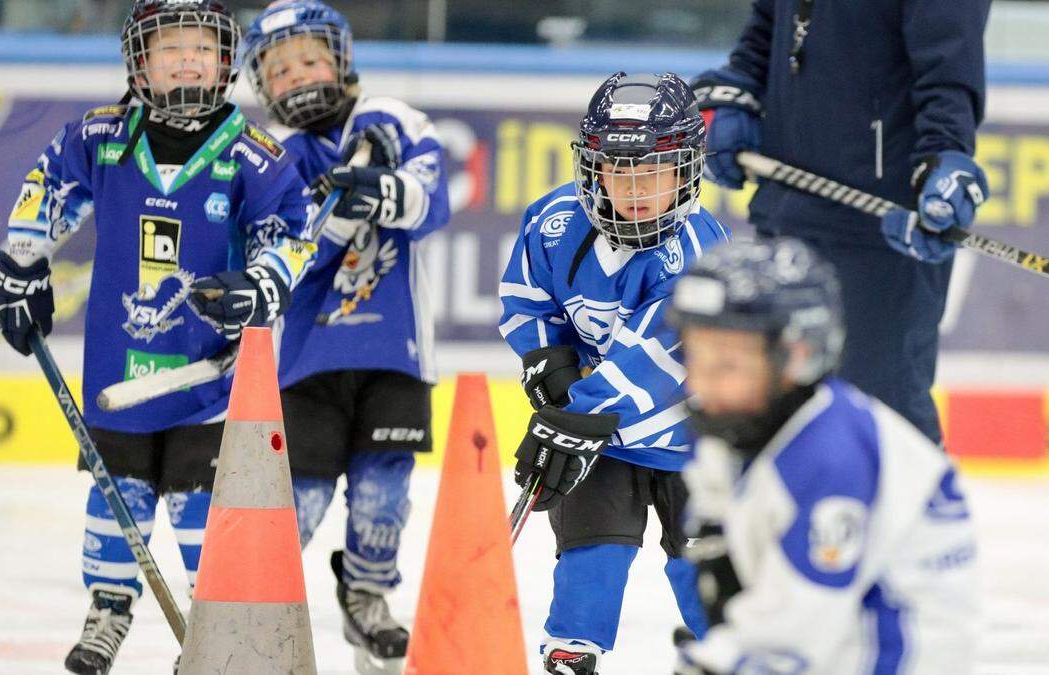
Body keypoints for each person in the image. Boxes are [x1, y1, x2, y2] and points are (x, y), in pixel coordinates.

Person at [0, 2, 315, 672]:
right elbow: (47, 187)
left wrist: (259, 284)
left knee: (205, 515)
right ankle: (108, 607)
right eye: (170, 49)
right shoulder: (101, 137)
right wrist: (21, 265)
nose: (188, 59)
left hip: (209, 383)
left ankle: (211, 625)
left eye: (202, 48)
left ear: (226, 62)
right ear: (139, 62)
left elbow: (291, 231)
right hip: (120, 376)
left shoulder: (253, 155)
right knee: (116, 499)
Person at [499, 71, 730, 674]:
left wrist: (577, 412)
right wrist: (546, 361)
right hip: (601, 441)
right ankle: (572, 650)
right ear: (591, 166)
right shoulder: (552, 222)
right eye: (617, 169)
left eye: (652, 171)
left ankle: (734, 651)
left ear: (685, 171)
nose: (633, 187)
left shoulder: (700, 251)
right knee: (590, 550)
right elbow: (527, 298)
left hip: (692, 441)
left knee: (702, 561)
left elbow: (662, 357)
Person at [242, 2, 449, 673]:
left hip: (395, 353)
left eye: (308, 58)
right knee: (294, 501)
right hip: (309, 361)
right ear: (262, 86)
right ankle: (251, 614)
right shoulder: (274, 157)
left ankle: (366, 596)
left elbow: (431, 201)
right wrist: (339, 212)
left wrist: (384, 191)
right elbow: (292, 256)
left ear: (340, 56)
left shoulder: (390, 117)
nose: (297, 76)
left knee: (383, 492)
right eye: (279, 70)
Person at [666, 236, 978, 674]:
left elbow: (794, 637)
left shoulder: (830, 456)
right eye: (696, 358)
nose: (704, 384)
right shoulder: (735, 419)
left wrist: (723, 660)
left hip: (889, 653)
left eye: (729, 364)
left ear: (797, 354)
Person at [691, 0, 991, 445]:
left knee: (882, 419)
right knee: (776, 415)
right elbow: (768, 32)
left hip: (880, 225)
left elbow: (949, 65)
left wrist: (943, 153)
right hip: (784, 210)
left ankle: (924, 514)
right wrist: (737, 88)